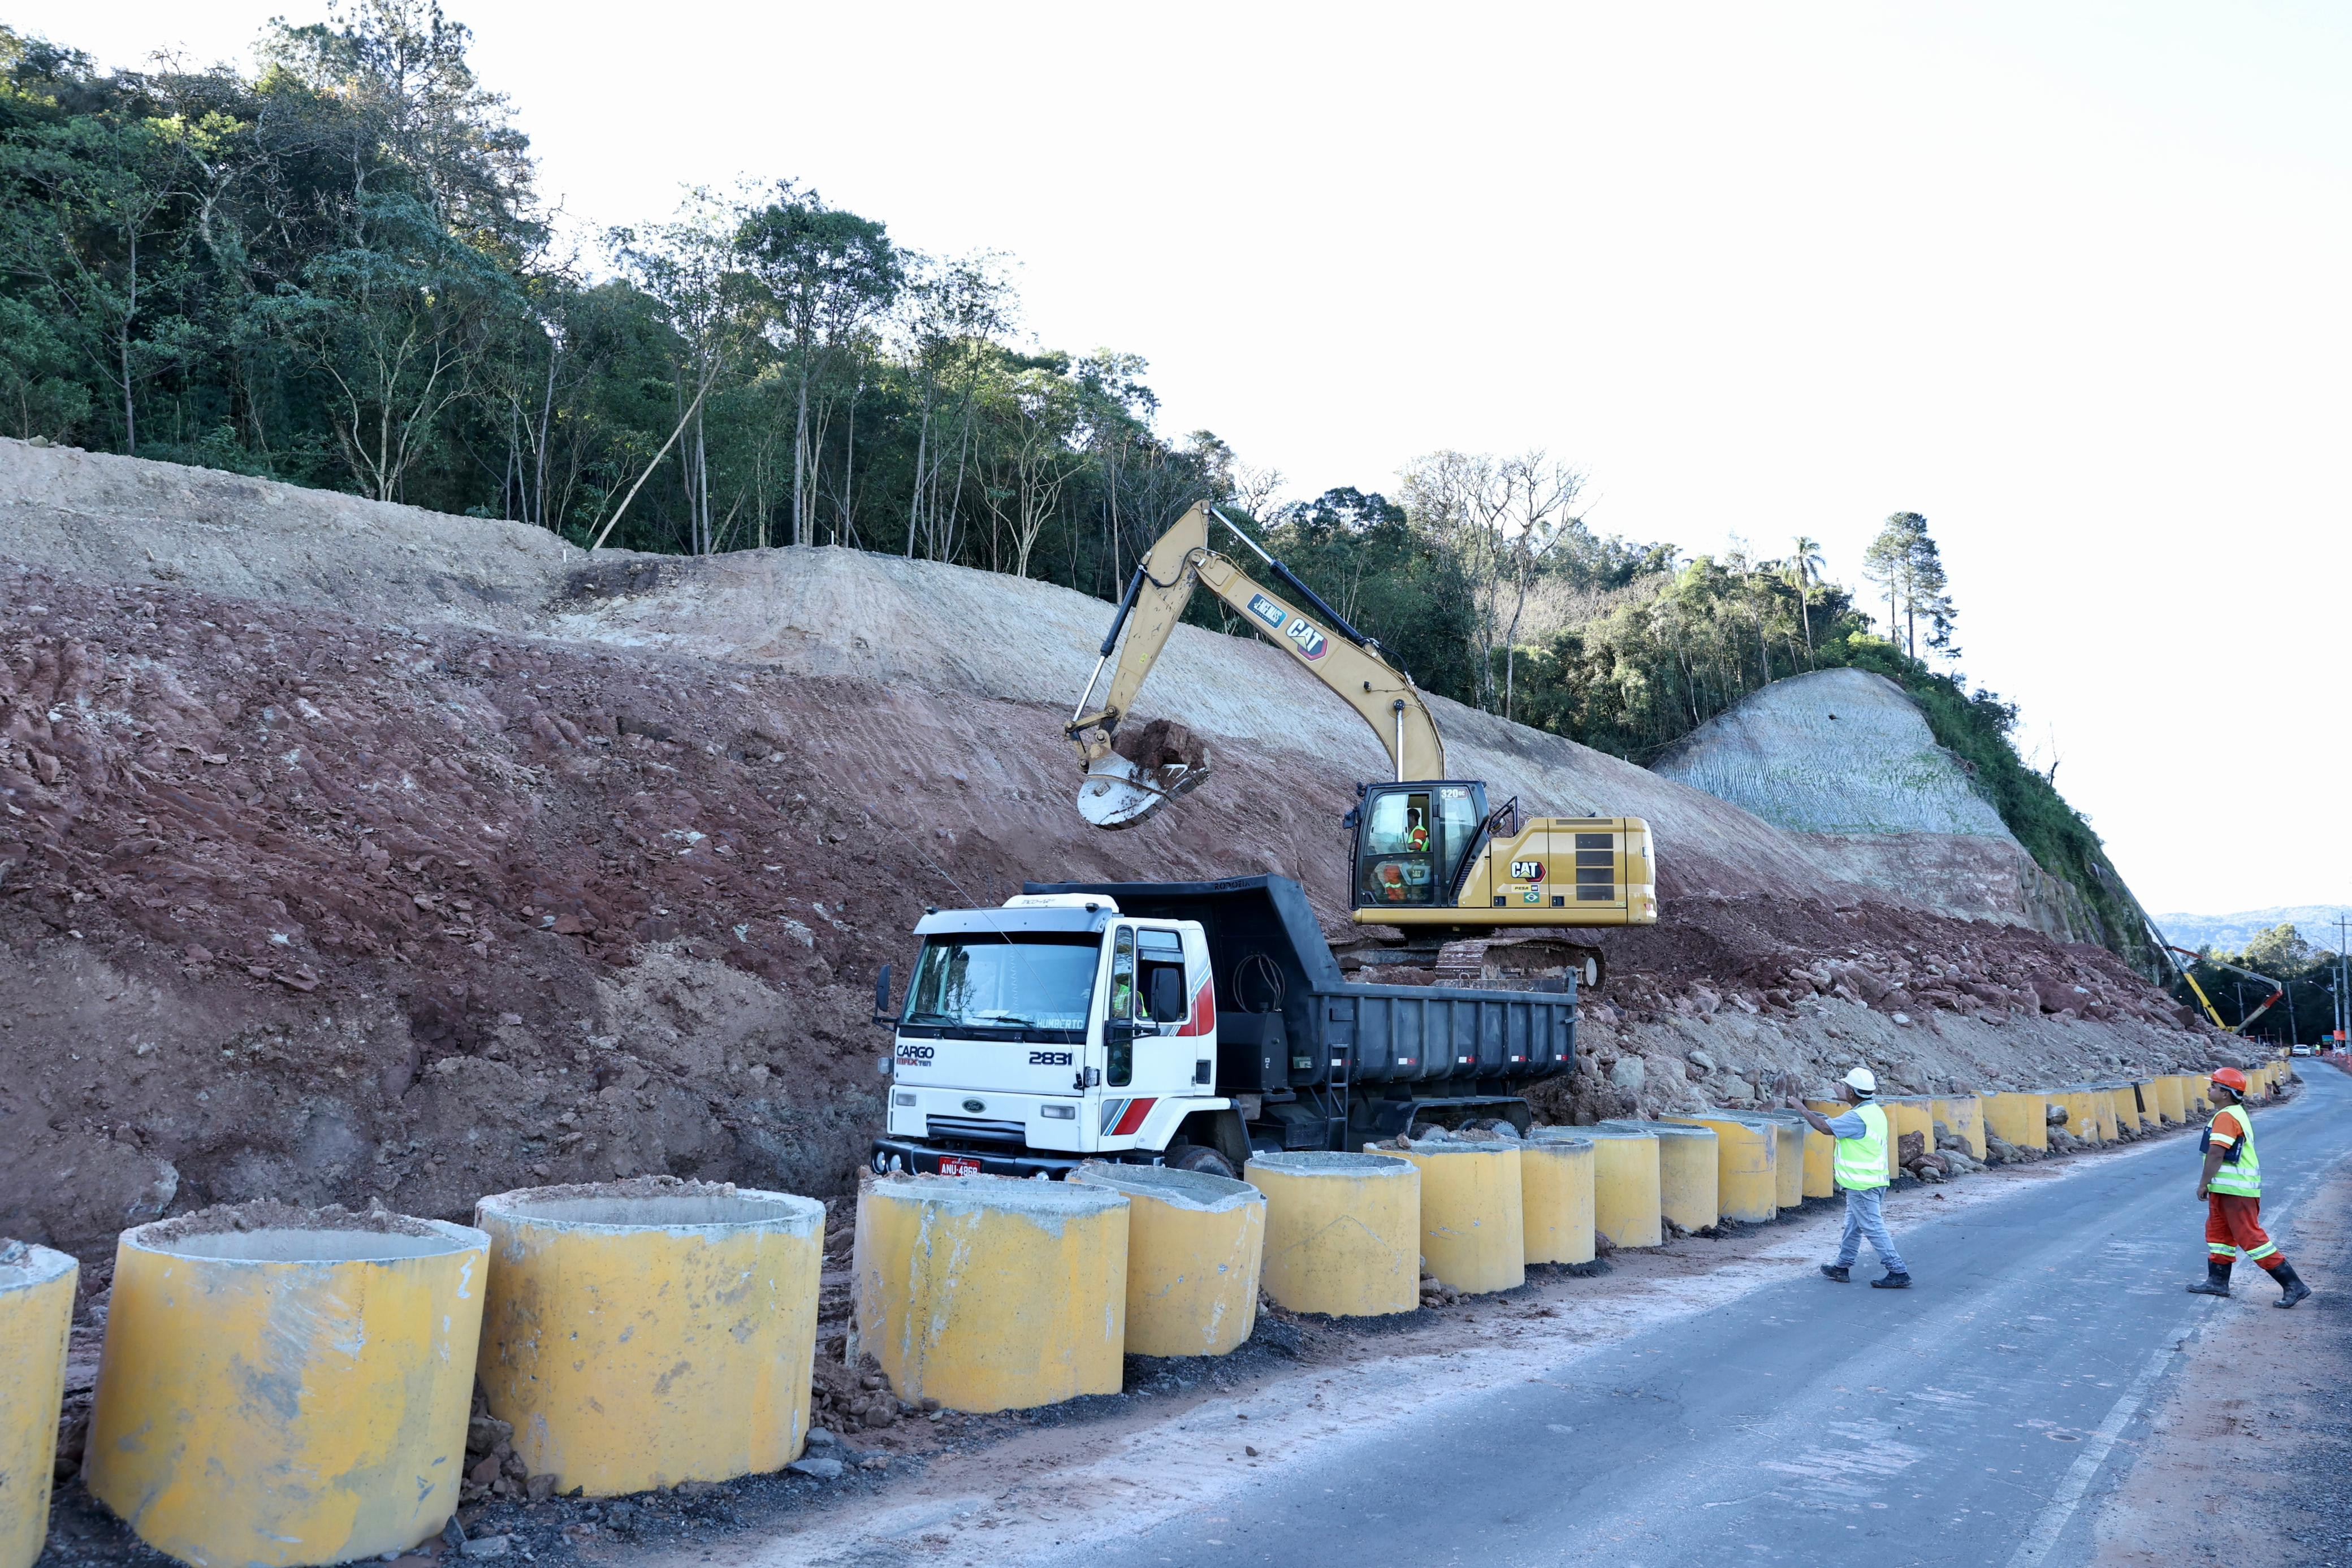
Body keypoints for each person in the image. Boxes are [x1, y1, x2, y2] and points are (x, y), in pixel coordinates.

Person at [2187, 1066, 2311, 1307]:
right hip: (2228, 1190)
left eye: (2213, 1086)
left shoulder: (2227, 1116)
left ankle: (2293, 1285)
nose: (2209, 1089)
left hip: (2237, 1191)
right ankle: (2217, 1282)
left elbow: (2216, 1154)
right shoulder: (2233, 1113)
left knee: (2251, 1238)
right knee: (2219, 1235)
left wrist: (2204, 1183)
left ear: (2226, 1093)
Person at [1784, 1067, 1911, 1289]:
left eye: (1847, 1089)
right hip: (1873, 1181)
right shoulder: (1874, 1111)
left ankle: (1897, 1270)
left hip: (1863, 1184)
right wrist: (1846, 1099)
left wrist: (1802, 1109)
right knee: (1853, 1225)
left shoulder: (1856, 1118)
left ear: (1853, 1093)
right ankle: (1842, 1266)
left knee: (1872, 1226)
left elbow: (1825, 1128)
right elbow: (1857, 1110)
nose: (1845, 1091)